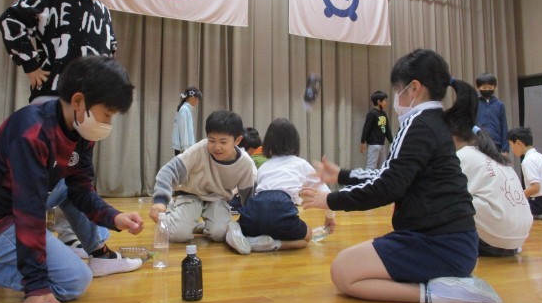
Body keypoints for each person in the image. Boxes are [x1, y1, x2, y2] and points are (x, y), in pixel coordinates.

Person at [301, 49, 502, 303]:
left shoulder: (418, 124)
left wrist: (331, 200)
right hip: (455, 243)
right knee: (347, 267)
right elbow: (391, 175)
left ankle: (441, 293)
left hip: (440, 244)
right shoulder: (434, 122)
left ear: (414, 88)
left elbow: (387, 187)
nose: (395, 97)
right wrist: (342, 175)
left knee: (343, 271)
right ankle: (444, 284)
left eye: (397, 90)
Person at [0, 56, 144, 303]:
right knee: (74, 281)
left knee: (66, 185)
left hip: (14, 202)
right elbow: (28, 214)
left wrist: (113, 217)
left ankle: (97, 251)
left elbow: (80, 188)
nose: (107, 124)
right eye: (107, 115)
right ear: (78, 101)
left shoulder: (80, 129)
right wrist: (37, 287)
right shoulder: (31, 132)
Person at [0, 0, 127, 257]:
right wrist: (30, 64)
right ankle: (8, 222)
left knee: (78, 173)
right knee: (50, 175)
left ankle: (75, 237)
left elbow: (109, 54)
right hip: (52, 100)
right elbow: (12, 19)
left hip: (88, 109)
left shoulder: (103, 12)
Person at [225, 118, 337, 254]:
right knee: (307, 237)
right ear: (295, 142)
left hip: (254, 208)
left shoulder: (264, 166)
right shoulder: (301, 164)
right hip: (281, 207)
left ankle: (243, 233)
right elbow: (326, 195)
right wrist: (329, 218)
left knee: (252, 225)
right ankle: (271, 244)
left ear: (268, 143)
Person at [447, 82, 532, 256]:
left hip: (495, 240)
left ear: (453, 136)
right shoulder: (497, 158)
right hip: (518, 237)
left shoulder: (462, 156)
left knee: (446, 196)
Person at [149, 110, 256, 243]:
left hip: (218, 198)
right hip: (191, 195)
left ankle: (196, 225)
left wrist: (249, 223)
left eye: (223, 142)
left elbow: (248, 195)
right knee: (177, 235)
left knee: (219, 234)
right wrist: (160, 201)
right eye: (212, 140)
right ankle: (173, 213)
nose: (217, 147)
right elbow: (168, 171)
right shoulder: (198, 150)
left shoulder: (245, 163)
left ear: (237, 140)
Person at [508, 127, 542, 220]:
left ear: (518, 143)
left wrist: (517, 197)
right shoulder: (539, 156)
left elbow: (535, 187)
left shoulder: (528, 161)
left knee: (512, 205)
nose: (511, 149)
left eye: (511, 145)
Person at [475, 73, 509, 154]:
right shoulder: (474, 103)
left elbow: (504, 126)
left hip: (496, 143)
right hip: (478, 142)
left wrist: (505, 147)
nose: (487, 90)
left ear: (494, 87)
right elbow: (469, 122)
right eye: (484, 87)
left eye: (490, 87)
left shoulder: (499, 105)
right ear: (478, 87)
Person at [360, 91, 394, 169]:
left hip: (382, 144)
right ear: (379, 102)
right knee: (371, 167)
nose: (386, 103)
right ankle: (368, 177)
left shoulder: (384, 114)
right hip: (373, 145)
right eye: (385, 101)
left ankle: (380, 177)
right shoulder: (372, 114)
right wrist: (363, 142)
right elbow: (366, 128)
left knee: (383, 166)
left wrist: (392, 142)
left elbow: (387, 129)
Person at [172, 86, 202, 155]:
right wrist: (185, 148)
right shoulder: (184, 109)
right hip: (183, 148)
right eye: (197, 99)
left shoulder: (185, 109)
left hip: (183, 147)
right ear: (192, 98)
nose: (197, 102)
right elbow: (183, 129)